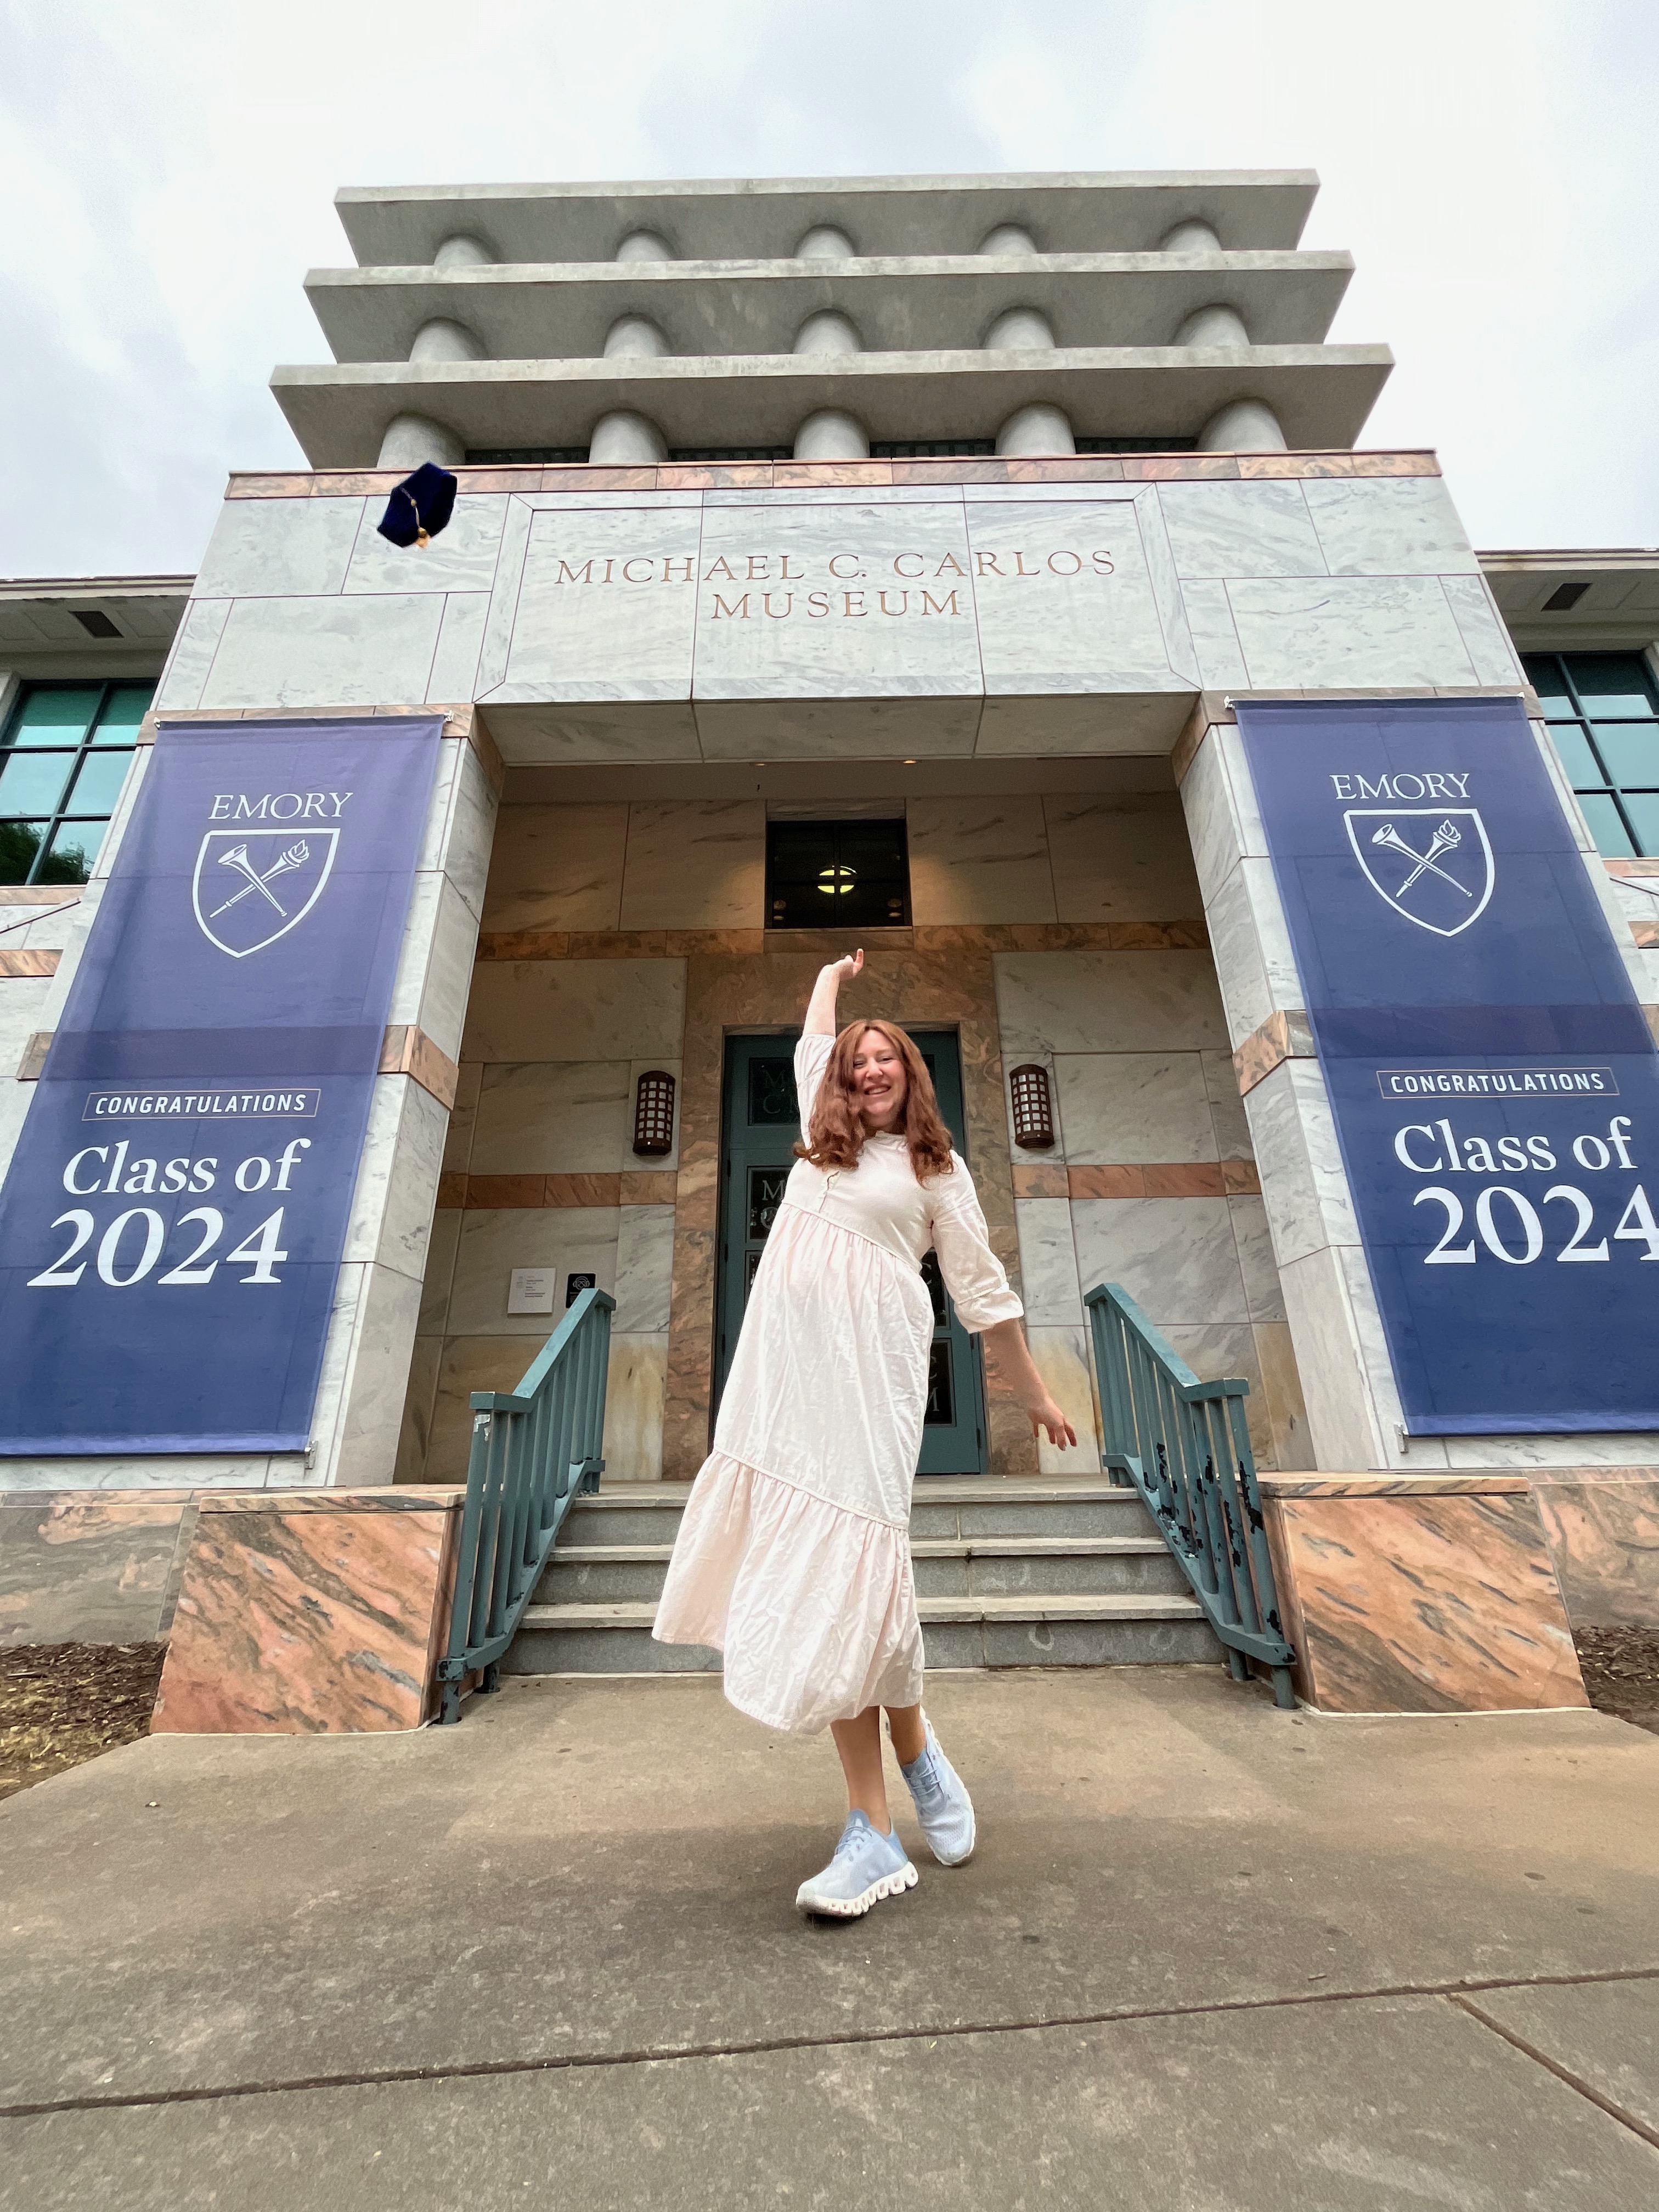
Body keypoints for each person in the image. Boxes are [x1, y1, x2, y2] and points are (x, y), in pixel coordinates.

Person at [653, 950, 1077, 1918]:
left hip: (869, 1379)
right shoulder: (819, 1130)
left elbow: (984, 1296)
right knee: (832, 1579)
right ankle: (912, 1758)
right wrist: (829, 980)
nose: (869, 1069)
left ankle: (874, 1828)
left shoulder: (937, 1170)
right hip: (784, 1387)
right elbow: (812, 1042)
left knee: (854, 1572)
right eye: (858, 1061)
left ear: (911, 1073)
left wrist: (1036, 1396)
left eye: (886, 1058)